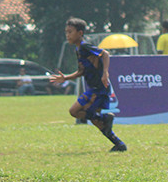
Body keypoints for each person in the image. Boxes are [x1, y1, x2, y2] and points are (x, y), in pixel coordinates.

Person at [49, 18, 127, 152]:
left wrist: (105, 73)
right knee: (97, 122)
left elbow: (105, 54)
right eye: (66, 32)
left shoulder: (85, 46)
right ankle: (118, 143)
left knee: (74, 111)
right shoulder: (78, 50)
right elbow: (81, 71)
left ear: (80, 33)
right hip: (94, 88)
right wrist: (65, 77)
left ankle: (105, 118)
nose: (67, 35)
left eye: (70, 32)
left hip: (98, 89)